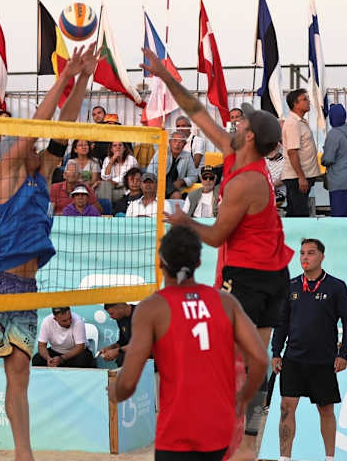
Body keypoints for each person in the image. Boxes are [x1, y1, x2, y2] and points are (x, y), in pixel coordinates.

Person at [143, 46, 293, 459]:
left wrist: (183, 222)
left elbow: (212, 237)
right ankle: (247, 448)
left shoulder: (247, 180)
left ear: (248, 136)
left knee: (234, 366)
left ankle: (226, 445)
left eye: (241, 119)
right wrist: (164, 75)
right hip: (269, 273)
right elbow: (195, 109)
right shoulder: (235, 154)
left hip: (246, 275)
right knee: (253, 364)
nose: (234, 118)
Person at [0, 44, 98, 461]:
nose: (41, 149)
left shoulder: (41, 174)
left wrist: (85, 78)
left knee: (19, 373)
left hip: (27, 285)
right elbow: (37, 128)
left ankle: (25, 453)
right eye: (25, 146)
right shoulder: (7, 172)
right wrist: (62, 76)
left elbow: (62, 127)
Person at [110, 226, 268, 461]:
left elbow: (129, 381)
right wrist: (243, 397)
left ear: (161, 262)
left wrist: (115, 392)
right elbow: (260, 359)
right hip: (219, 427)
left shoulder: (151, 308)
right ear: (199, 262)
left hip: (178, 430)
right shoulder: (225, 302)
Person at [272, 238, 347, 461]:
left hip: (323, 359)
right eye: (302, 253)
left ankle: (329, 458)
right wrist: (276, 352)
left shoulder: (336, 286)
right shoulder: (291, 286)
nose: (305, 258)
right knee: (286, 407)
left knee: (326, 409)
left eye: (310, 253)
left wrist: (343, 353)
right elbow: (282, 322)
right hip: (293, 358)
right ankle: (284, 458)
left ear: (322, 257)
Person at [281, 88, 322, 217]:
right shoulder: (293, 123)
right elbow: (292, 152)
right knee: (300, 214)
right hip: (297, 178)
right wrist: (301, 177)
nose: (308, 101)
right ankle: (299, 237)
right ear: (295, 104)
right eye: (304, 99)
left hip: (300, 176)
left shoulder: (300, 122)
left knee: (295, 213)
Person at [321, 104, 347, 217]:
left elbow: (328, 159)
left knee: (339, 216)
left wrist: (323, 158)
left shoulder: (333, 134)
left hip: (340, 180)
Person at [148, 130, 199, 199]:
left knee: (177, 196)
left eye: (180, 142)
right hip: (159, 183)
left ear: (184, 144)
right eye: (174, 141)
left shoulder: (187, 156)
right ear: (170, 142)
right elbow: (150, 170)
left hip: (175, 186)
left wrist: (182, 181)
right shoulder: (162, 151)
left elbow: (194, 176)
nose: (177, 144)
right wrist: (156, 184)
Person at [97, 302, 133, 367]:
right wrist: (110, 348)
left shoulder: (140, 314)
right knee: (121, 357)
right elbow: (122, 341)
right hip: (133, 351)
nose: (110, 317)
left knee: (123, 357)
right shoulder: (120, 318)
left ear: (120, 308)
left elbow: (142, 344)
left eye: (111, 313)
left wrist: (118, 351)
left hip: (151, 353)